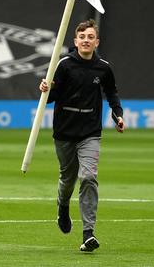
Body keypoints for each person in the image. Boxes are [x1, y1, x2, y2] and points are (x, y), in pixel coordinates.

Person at [39, 19, 125, 252]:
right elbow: (53, 97)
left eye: (90, 37)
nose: (86, 40)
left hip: (90, 131)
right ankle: (62, 205)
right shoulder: (65, 65)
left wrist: (118, 115)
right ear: (75, 41)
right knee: (68, 178)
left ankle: (88, 233)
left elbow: (111, 92)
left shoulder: (104, 68)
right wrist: (47, 90)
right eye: (82, 37)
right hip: (65, 130)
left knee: (88, 177)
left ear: (96, 42)